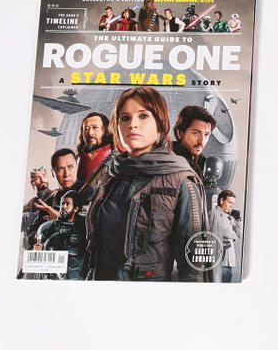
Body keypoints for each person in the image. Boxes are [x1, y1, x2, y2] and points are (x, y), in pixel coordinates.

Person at [84, 87, 211, 281]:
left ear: (160, 124)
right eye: (125, 118)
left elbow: (194, 269)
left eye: (143, 116)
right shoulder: (110, 175)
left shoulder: (182, 182)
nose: (132, 124)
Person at [33, 191, 88, 280]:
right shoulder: (47, 228)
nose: (63, 206)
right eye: (62, 204)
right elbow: (38, 262)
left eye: (67, 204)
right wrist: (37, 250)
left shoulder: (84, 229)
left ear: (76, 209)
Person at [172, 105, 216, 179]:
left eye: (206, 134)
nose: (202, 141)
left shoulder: (203, 163)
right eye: (196, 133)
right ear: (179, 133)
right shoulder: (168, 162)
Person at [210, 189, 242, 283]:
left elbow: (239, 235)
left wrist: (238, 220)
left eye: (233, 203)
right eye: (229, 202)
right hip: (220, 262)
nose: (232, 206)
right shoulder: (214, 214)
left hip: (229, 261)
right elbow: (212, 236)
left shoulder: (228, 217)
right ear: (221, 200)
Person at [76, 112, 112, 184]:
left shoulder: (116, 154)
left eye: (95, 127)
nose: (90, 133)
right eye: (86, 129)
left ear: (106, 130)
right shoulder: (78, 157)